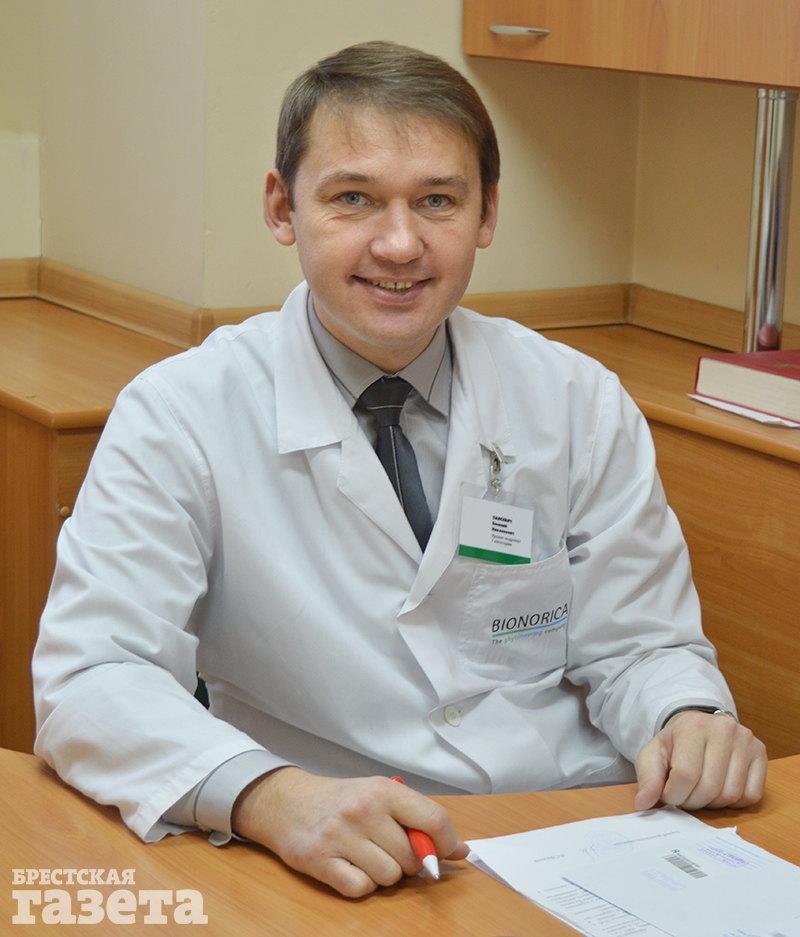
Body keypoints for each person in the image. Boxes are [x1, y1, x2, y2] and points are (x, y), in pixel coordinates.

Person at [32, 41, 767, 899]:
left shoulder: (575, 399)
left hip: (578, 831)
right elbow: (91, 677)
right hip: (338, 849)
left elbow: (641, 643)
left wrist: (687, 715)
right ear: (282, 207)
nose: (398, 242)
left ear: (488, 213)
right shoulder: (181, 413)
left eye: (437, 201)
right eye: (353, 198)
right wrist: (268, 796)